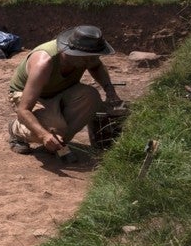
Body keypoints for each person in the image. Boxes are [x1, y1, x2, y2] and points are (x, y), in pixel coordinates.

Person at [8, 25, 121, 161]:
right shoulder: (43, 63)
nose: (91, 61)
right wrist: (44, 135)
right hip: (30, 96)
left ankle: (58, 142)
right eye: (86, 58)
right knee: (54, 127)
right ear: (69, 51)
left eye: (93, 57)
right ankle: (17, 130)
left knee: (91, 96)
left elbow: (96, 67)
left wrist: (110, 92)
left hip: (62, 90)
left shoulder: (87, 57)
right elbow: (24, 110)